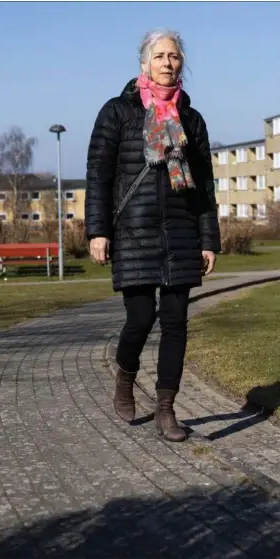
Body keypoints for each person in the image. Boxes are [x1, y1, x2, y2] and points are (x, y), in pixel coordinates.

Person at [85, 29, 221, 443]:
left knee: (176, 322)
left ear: (181, 64)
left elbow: (204, 186)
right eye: (160, 55)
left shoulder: (192, 119)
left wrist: (208, 238)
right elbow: (99, 176)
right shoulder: (118, 112)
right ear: (144, 63)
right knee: (141, 318)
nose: (167, 62)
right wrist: (97, 231)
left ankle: (166, 409)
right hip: (133, 230)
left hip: (180, 231)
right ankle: (125, 379)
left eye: (174, 56)